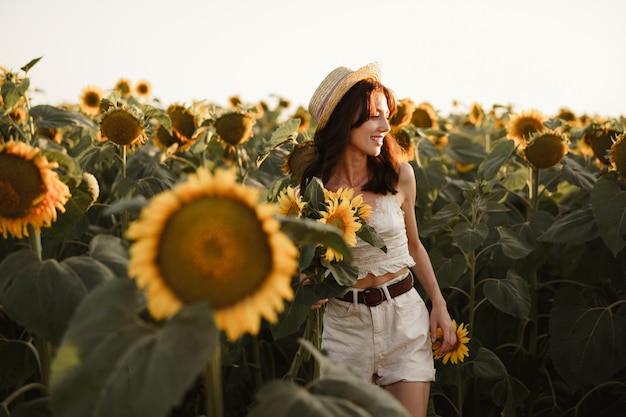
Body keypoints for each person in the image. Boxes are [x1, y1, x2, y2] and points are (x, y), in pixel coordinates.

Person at [300, 62, 457, 417]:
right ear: (345, 121)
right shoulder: (311, 194)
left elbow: (414, 245)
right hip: (344, 326)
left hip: (403, 317)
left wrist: (439, 304)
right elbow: (305, 263)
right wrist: (306, 285)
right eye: (374, 117)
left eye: (386, 116)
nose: (386, 127)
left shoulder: (400, 175)